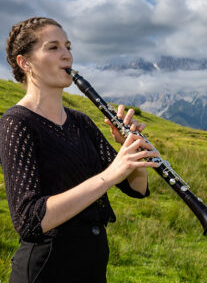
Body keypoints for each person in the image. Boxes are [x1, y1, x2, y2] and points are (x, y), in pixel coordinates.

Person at [0, 17, 159, 283]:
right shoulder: (16, 123)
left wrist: (130, 147)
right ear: (24, 63)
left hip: (91, 265)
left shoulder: (80, 121)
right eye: (53, 47)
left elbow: (136, 188)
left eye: (68, 47)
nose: (66, 55)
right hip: (46, 269)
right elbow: (28, 220)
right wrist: (110, 174)